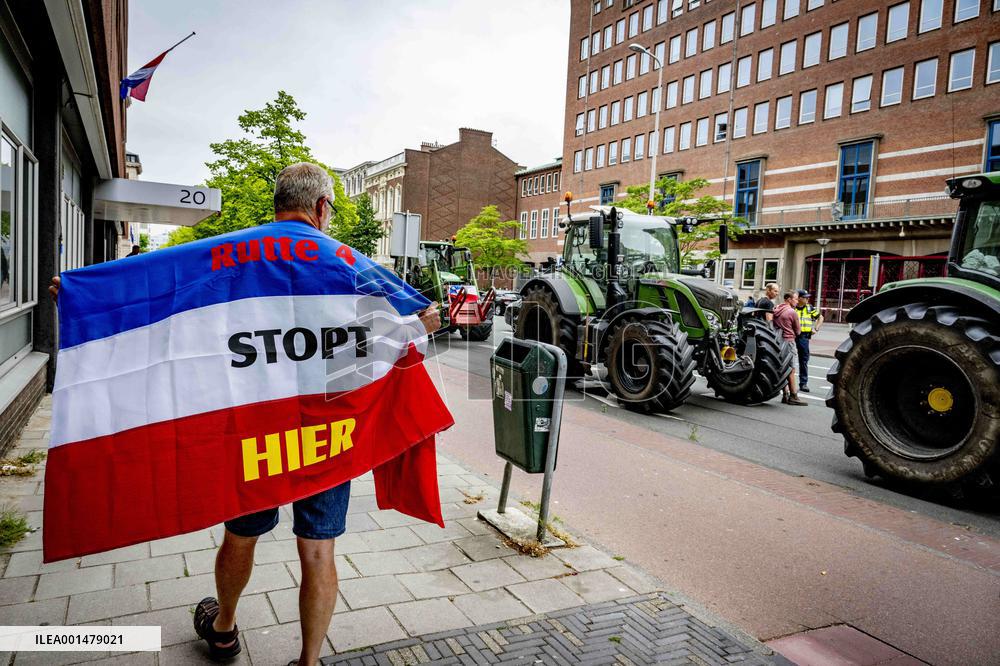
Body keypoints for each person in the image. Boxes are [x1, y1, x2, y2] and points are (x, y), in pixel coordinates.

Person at [50, 162, 442, 666]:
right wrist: (424, 323)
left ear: (277, 203)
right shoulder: (346, 261)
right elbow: (403, 322)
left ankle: (224, 627)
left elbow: (164, 284)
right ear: (322, 207)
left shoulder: (232, 254)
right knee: (318, 549)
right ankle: (308, 661)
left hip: (255, 436)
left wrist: (86, 294)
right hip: (328, 434)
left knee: (241, 533)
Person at [772, 290, 807, 406]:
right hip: (789, 341)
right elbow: (798, 331)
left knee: (782, 367)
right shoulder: (792, 312)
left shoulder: (777, 309)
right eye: (796, 299)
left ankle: (785, 394)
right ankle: (793, 395)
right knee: (791, 368)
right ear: (789, 299)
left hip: (778, 341)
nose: (797, 301)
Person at [794, 289, 823, 393]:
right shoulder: (793, 308)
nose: (807, 299)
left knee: (803, 361)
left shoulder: (810, 308)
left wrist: (816, 329)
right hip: (792, 336)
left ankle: (803, 384)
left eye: (807, 297)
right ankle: (787, 383)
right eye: (805, 297)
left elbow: (820, 317)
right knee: (788, 360)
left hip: (804, 337)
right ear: (799, 298)